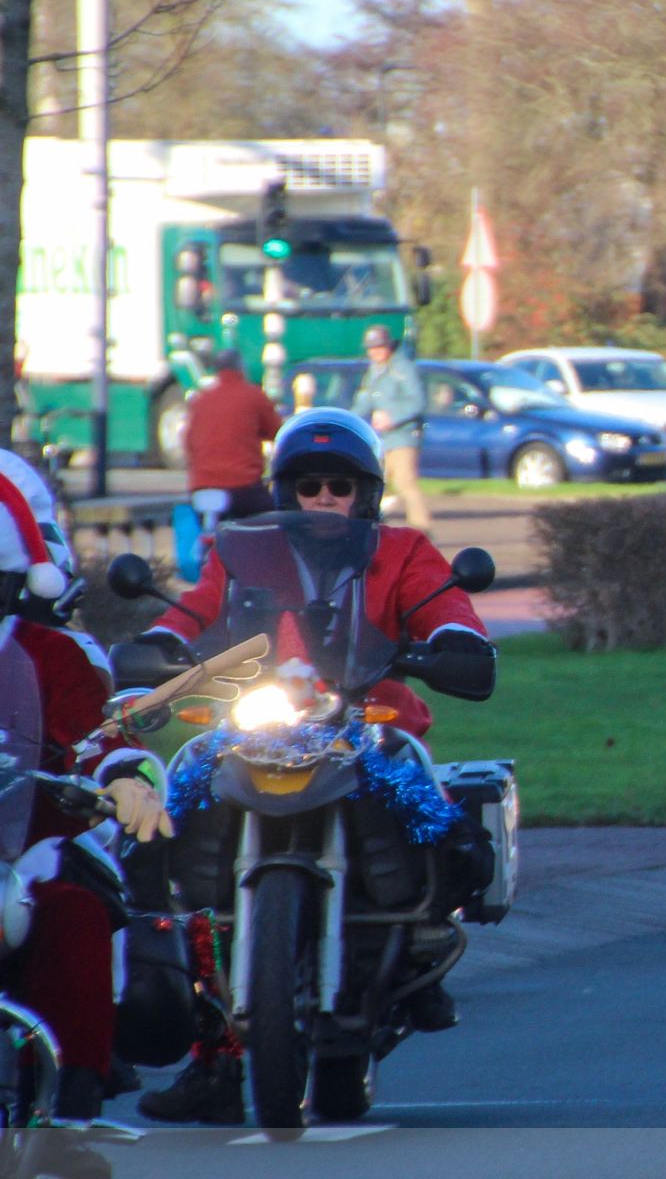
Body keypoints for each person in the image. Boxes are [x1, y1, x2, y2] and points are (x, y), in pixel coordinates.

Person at [135, 409, 495, 1124]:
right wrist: (158, 640)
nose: (323, 498)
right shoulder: (244, 554)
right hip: (259, 720)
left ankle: (422, 951)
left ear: (364, 494)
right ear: (285, 493)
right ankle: (208, 1046)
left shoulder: (402, 550)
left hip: (364, 722)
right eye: (308, 486)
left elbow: (447, 609)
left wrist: (452, 638)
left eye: (338, 486)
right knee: (171, 801)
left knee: (435, 807)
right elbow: (198, 610)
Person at [0, 465, 167, 1139]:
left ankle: (75, 1099)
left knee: (73, 913)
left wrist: (124, 777)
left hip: (21, 855)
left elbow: (98, 739)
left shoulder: (51, 654)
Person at [181, 349, 283, 520]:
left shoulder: (201, 399)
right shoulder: (254, 396)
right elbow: (277, 433)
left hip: (202, 487)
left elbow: (189, 441)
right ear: (241, 368)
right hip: (243, 486)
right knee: (272, 522)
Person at [352, 324, 430, 534]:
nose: (374, 352)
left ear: (388, 346)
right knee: (377, 482)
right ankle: (373, 527)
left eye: (379, 347)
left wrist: (392, 417)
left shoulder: (402, 367)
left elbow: (418, 401)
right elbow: (365, 401)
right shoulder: (374, 370)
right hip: (383, 439)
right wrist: (347, 421)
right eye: (371, 348)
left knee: (405, 481)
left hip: (404, 435)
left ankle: (422, 529)